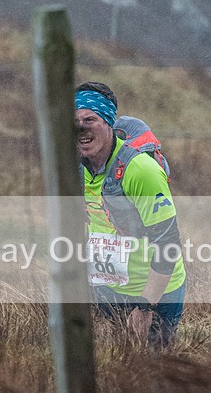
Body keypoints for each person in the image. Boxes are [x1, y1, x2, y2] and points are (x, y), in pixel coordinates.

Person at [75, 81, 186, 349]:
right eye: (75, 120)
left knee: (150, 376)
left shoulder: (140, 170)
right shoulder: (75, 167)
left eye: (90, 119)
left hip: (155, 295)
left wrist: (145, 306)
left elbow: (168, 245)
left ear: (109, 123)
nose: (81, 127)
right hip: (105, 289)